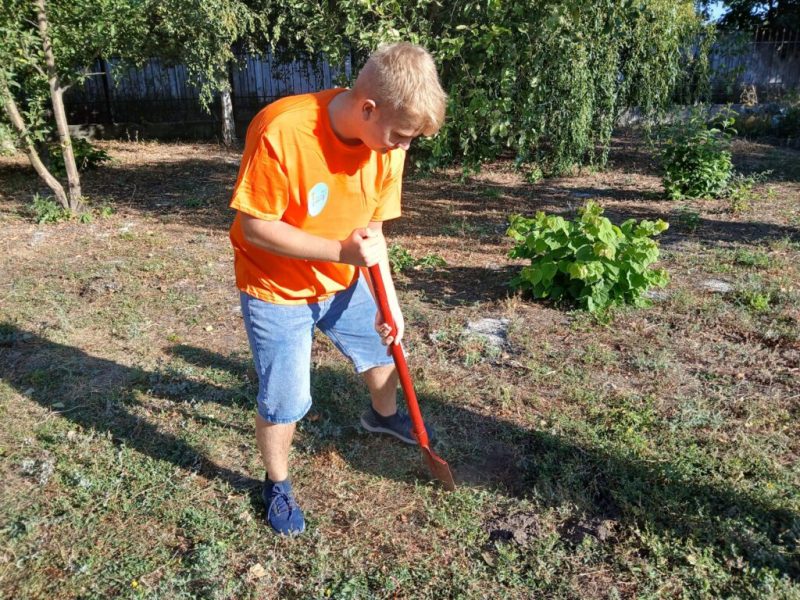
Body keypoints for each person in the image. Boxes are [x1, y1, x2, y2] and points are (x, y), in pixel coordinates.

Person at [228, 42, 447, 536]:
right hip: (276, 289)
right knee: (285, 399)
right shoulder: (283, 129)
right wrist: (340, 253)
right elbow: (252, 227)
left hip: (342, 282)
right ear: (368, 108)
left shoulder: (383, 146)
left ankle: (383, 417)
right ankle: (277, 484)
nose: (404, 148)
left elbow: (372, 233)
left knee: (381, 349)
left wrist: (388, 301)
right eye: (402, 136)